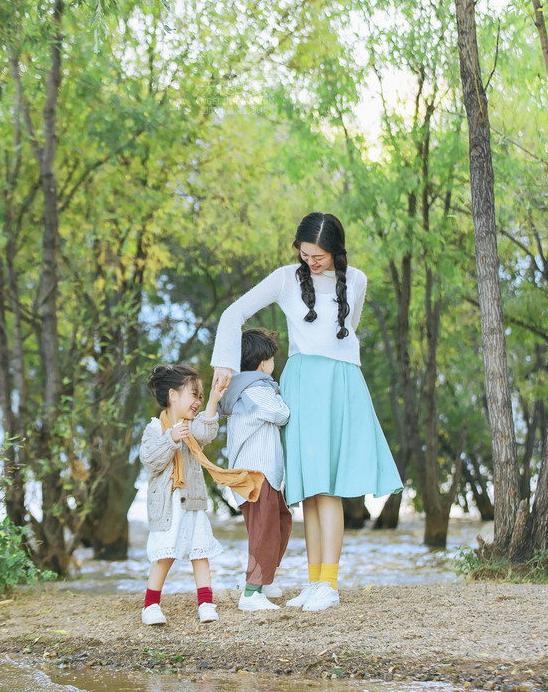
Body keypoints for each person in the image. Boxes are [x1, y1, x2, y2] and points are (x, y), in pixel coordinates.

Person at [210, 212, 402, 612]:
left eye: (320, 255)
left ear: (336, 251)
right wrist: (225, 364)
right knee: (309, 489)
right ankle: (315, 582)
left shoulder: (359, 281)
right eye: (306, 253)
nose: (312, 261)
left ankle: (328, 583)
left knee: (328, 486)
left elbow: (345, 335)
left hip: (341, 384)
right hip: (301, 382)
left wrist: (337, 370)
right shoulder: (284, 278)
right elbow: (234, 313)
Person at [139, 363, 263, 626]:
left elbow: (206, 433)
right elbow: (151, 461)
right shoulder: (154, 429)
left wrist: (215, 400)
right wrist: (170, 438)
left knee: (200, 552)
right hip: (168, 507)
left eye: (200, 396)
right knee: (165, 555)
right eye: (193, 395)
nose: (197, 401)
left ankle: (206, 603)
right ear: (173, 395)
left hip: (193, 503)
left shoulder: (191, 426)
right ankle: (150, 605)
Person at [216, 328, 292, 612]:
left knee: (279, 521)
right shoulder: (256, 389)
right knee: (265, 529)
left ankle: (264, 578)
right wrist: (283, 397)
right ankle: (251, 591)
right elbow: (280, 413)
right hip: (257, 473)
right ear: (263, 363)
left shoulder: (242, 388)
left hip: (257, 473)